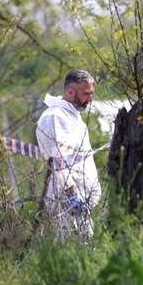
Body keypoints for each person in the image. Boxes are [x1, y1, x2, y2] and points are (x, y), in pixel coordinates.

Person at [36, 70, 102, 241]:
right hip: (65, 200)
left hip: (80, 201)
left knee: (85, 251)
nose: (90, 99)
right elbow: (58, 159)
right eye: (86, 94)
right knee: (69, 250)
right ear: (70, 92)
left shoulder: (73, 117)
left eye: (91, 93)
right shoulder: (55, 117)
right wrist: (71, 196)